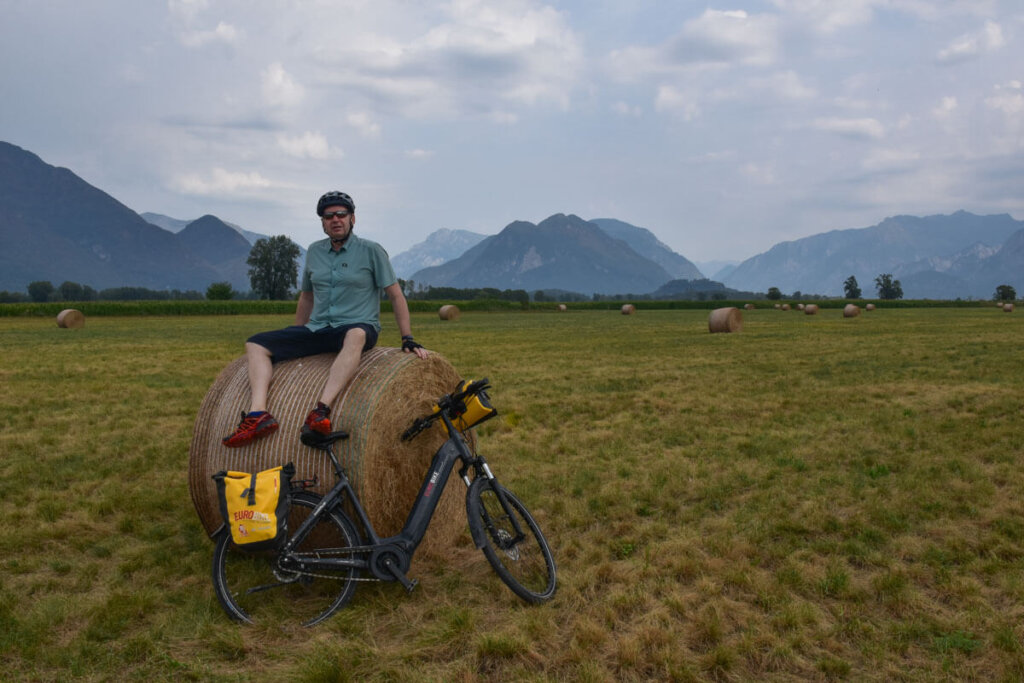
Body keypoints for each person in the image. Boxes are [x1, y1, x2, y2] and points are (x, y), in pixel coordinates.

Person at [223, 190, 428, 447]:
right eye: (329, 216)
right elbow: (307, 297)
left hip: (358, 326)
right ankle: (258, 414)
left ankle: (321, 410)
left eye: (341, 214)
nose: (336, 219)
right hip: (319, 328)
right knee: (255, 344)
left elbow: (395, 296)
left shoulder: (371, 251)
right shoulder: (314, 252)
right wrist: (297, 335)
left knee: (356, 334)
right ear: (322, 222)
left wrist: (407, 337)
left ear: (353, 219)